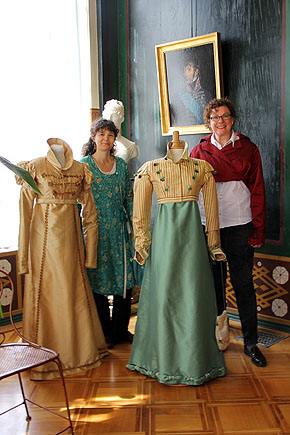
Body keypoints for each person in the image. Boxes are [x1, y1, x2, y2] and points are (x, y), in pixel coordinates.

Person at [127, 132, 226, 386]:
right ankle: (160, 359)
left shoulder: (202, 168)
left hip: (193, 242)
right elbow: (139, 211)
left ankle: (195, 361)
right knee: (163, 297)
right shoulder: (151, 169)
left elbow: (213, 210)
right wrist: (142, 243)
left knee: (193, 296)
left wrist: (213, 244)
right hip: (163, 243)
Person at [16, 138, 108, 380]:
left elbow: (90, 214)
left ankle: (79, 351)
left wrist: (91, 255)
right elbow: (24, 215)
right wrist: (23, 258)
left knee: (73, 290)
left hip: (72, 240)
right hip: (42, 241)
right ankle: (43, 357)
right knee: (45, 292)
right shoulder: (34, 167)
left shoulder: (80, 170)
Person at [190, 97, 267, 367]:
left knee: (243, 284)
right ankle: (217, 339)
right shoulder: (198, 151)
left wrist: (258, 227)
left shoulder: (247, 149)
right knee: (213, 285)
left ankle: (251, 343)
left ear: (232, 119)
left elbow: (257, 189)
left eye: (224, 116)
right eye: (214, 117)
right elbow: (190, 192)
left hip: (239, 222)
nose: (219, 122)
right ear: (207, 121)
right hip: (207, 223)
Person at [81, 118, 135, 349]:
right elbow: (76, 201)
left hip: (119, 229)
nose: (105, 138)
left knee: (125, 280)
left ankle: (120, 330)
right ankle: (104, 332)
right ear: (93, 137)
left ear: (114, 139)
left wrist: (136, 226)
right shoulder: (83, 166)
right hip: (94, 232)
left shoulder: (122, 166)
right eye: (101, 134)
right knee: (97, 281)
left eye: (109, 135)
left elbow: (129, 198)